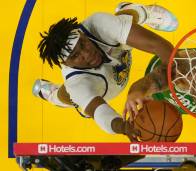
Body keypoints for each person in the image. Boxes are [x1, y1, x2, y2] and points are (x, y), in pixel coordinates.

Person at [33, 2, 178, 141]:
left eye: (83, 44)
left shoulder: (97, 24)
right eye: (75, 56)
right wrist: (123, 127)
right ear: (65, 63)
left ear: (82, 35)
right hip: (94, 87)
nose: (87, 54)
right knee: (69, 96)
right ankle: (52, 95)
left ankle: (144, 12)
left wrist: (173, 70)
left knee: (121, 22)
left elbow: (159, 45)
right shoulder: (77, 83)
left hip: (118, 47)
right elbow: (101, 114)